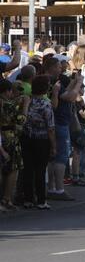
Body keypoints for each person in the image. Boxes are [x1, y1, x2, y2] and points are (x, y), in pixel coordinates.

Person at [45, 57, 82, 200]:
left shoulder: (51, 81)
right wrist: (78, 83)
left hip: (57, 122)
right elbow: (70, 96)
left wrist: (73, 81)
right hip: (59, 122)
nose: (61, 69)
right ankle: (59, 189)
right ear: (52, 67)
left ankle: (52, 188)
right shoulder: (53, 83)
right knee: (61, 157)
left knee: (53, 157)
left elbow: (66, 92)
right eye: (59, 67)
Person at [21, 75, 55, 209]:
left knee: (28, 169)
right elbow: (51, 128)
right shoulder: (46, 104)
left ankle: (28, 199)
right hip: (42, 140)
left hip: (27, 138)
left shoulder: (27, 102)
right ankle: (41, 200)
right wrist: (53, 146)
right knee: (40, 170)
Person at [0, 79, 28, 211]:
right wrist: (25, 106)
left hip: (3, 137)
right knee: (12, 169)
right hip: (9, 137)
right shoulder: (7, 105)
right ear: (7, 91)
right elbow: (21, 120)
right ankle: (7, 198)